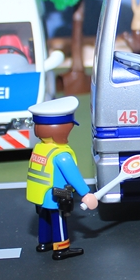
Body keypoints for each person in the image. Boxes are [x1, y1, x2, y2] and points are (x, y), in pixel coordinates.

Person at [26, 97, 98, 261]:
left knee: (44, 217)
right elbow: (74, 177)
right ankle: (61, 248)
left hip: (39, 193)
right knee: (58, 218)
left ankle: (44, 242)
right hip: (56, 194)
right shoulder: (62, 155)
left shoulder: (40, 148)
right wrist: (86, 194)